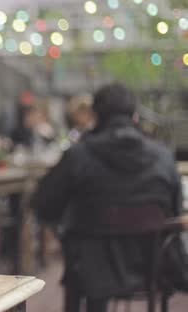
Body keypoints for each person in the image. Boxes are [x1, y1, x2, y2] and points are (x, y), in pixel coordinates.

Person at [32, 83, 188, 312]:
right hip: (152, 266)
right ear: (134, 115)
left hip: (88, 270)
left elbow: (43, 206)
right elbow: (175, 210)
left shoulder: (78, 156)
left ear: (95, 115)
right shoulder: (162, 157)